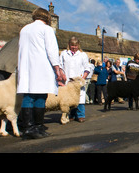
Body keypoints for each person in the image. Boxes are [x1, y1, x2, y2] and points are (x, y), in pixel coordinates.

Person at [17, 8, 66, 139]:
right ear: (47, 18)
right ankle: (37, 126)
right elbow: (52, 51)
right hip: (40, 67)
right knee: (40, 96)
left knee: (28, 96)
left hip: (26, 67)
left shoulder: (25, 29)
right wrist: (58, 69)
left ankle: (28, 127)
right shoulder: (47, 30)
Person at [59, 37, 91, 123]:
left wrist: (82, 78)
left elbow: (87, 68)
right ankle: (71, 115)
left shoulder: (82, 54)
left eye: (76, 45)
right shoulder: (64, 53)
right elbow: (60, 66)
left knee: (80, 98)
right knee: (69, 98)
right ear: (69, 45)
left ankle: (80, 115)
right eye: (72, 45)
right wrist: (62, 74)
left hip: (78, 81)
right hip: (68, 80)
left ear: (78, 45)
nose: (74, 47)